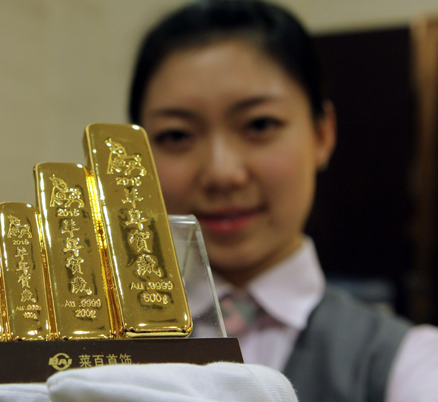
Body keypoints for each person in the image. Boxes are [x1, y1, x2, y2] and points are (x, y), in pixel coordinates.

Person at [128, 0, 438, 401]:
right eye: (176, 135)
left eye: (260, 125)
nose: (222, 173)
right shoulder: (84, 343)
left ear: (322, 134)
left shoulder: (409, 362)